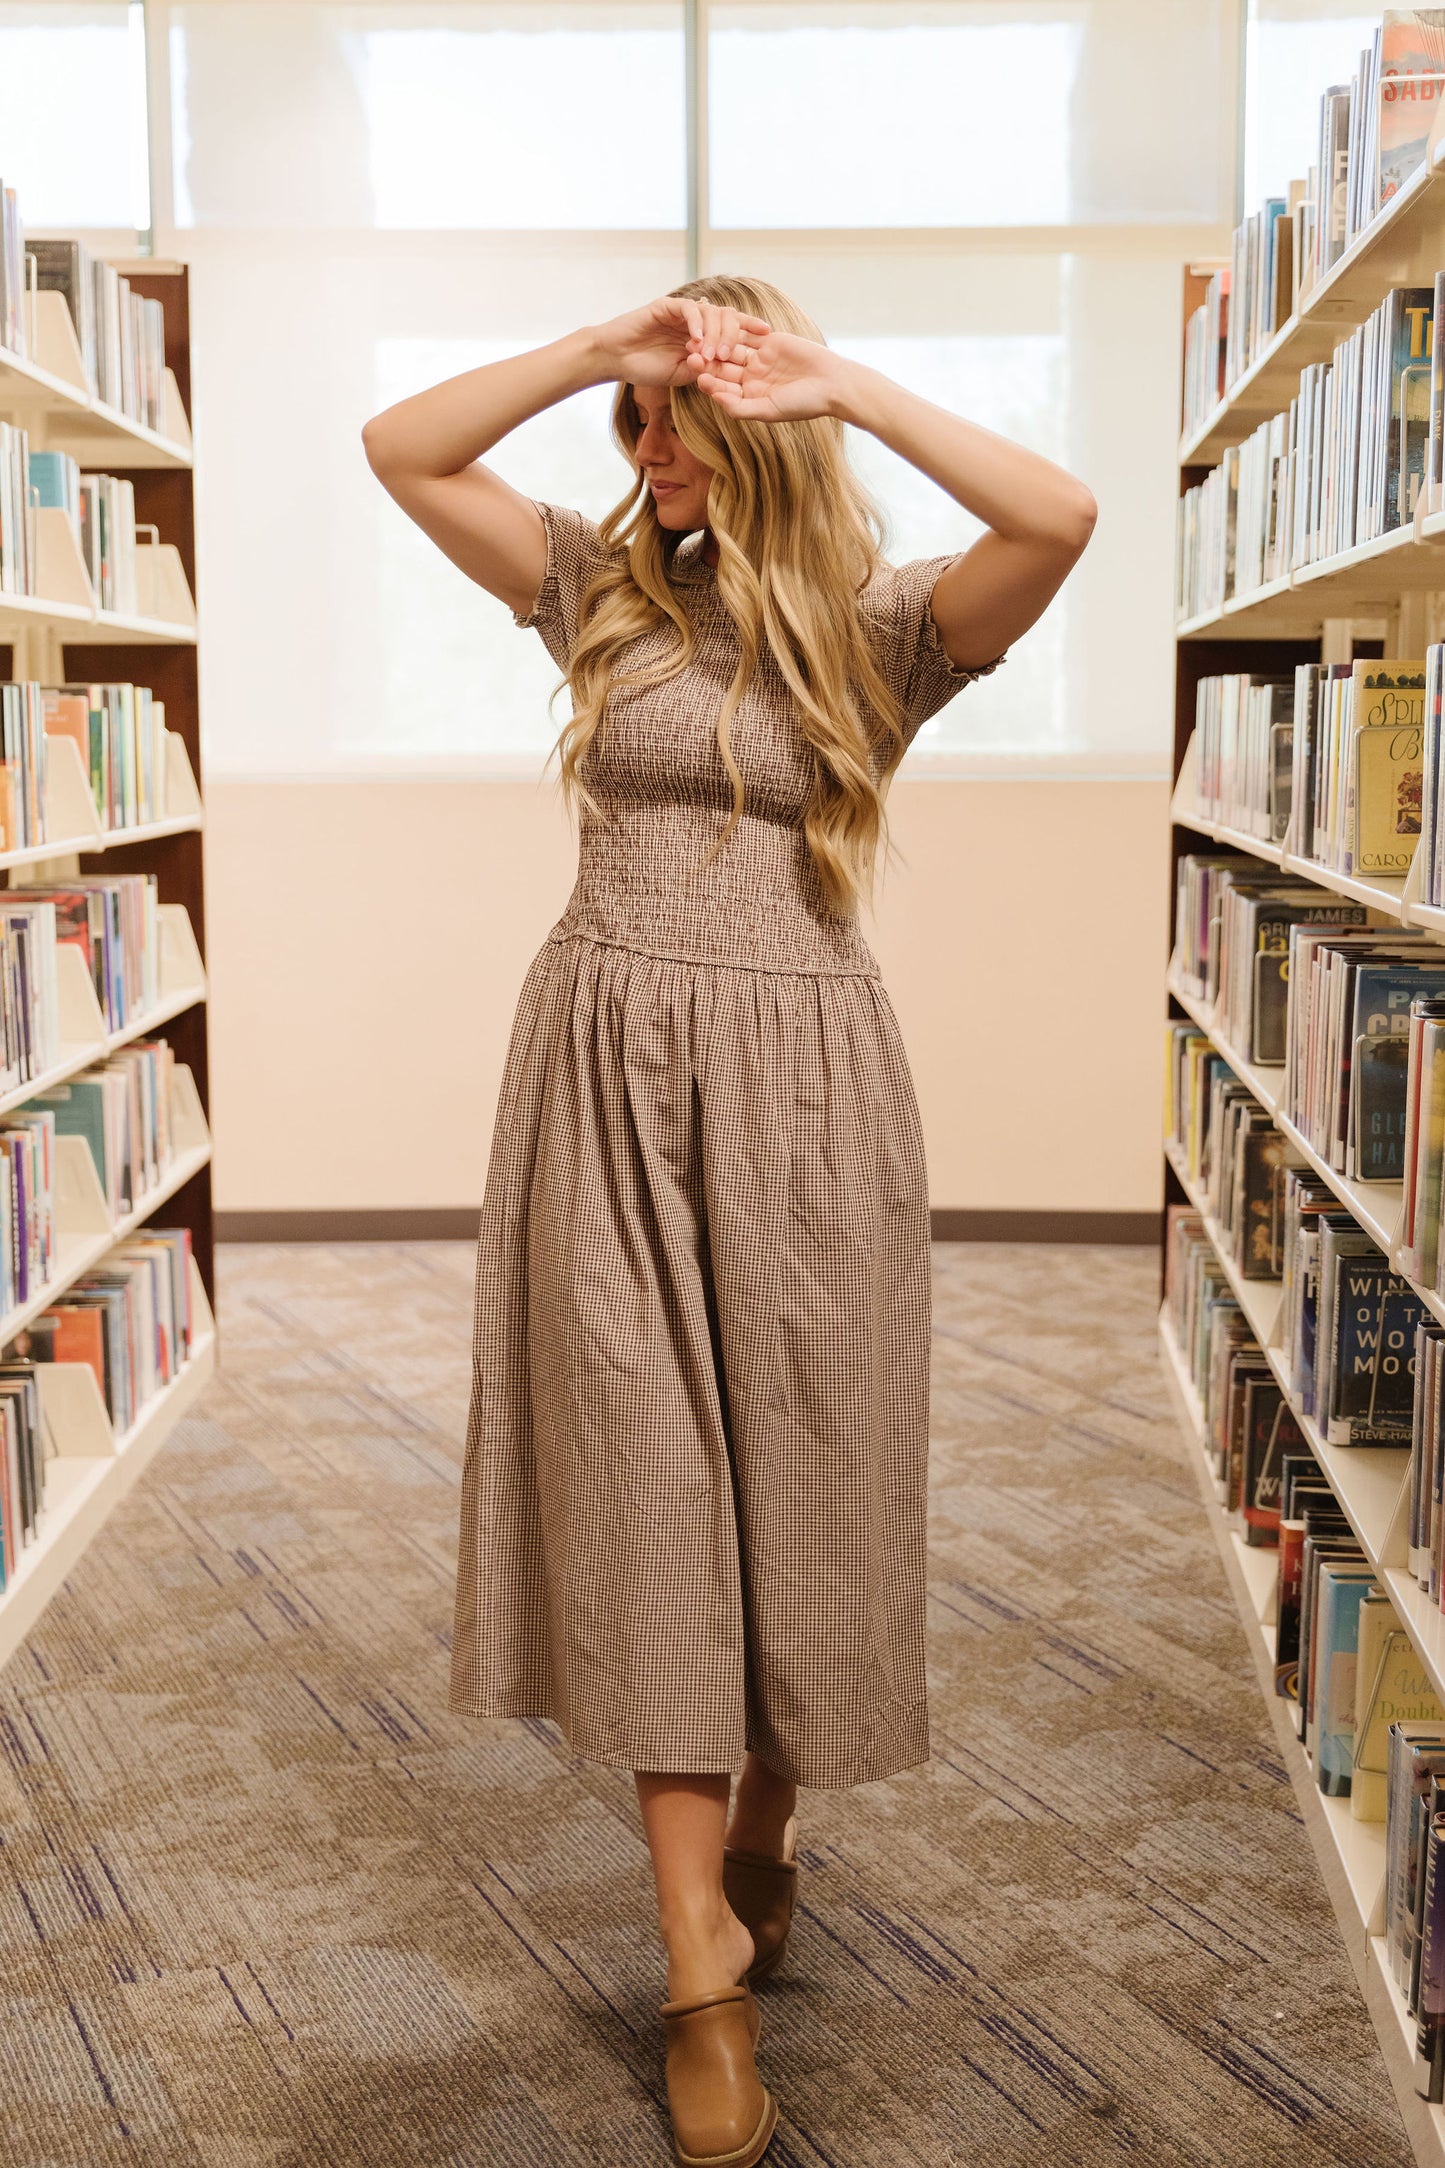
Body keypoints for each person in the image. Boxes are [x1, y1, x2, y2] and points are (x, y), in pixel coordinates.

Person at [362, 274, 1095, 2167]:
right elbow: (399, 449)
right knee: (648, 1485)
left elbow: (1059, 519)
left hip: (808, 1100)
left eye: (692, 418)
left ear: (775, 429)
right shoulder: (597, 591)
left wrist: (844, 377)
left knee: (799, 1478)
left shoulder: (881, 633)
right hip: (602, 1075)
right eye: (642, 428)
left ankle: (766, 1837)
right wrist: (603, 360)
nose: (656, 451)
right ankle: (696, 1964)